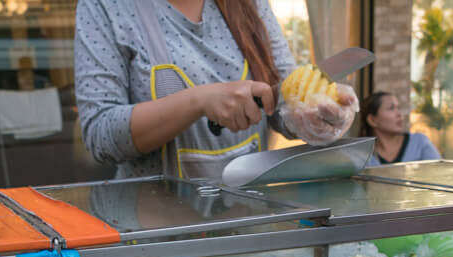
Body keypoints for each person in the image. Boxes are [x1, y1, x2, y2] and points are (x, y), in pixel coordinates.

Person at [74, 0, 356, 180]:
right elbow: (100, 135)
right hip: (154, 235)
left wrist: (313, 114)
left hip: (248, 220)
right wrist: (198, 100)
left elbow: (281, 106)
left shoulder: (251, 4)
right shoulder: (106, 7)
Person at [360, 91, 441, 166]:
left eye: (398, 108)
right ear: (372, 120)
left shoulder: (420, 142)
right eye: (391, 108)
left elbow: (438, 173)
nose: (399, 114)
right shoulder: (361, 156)